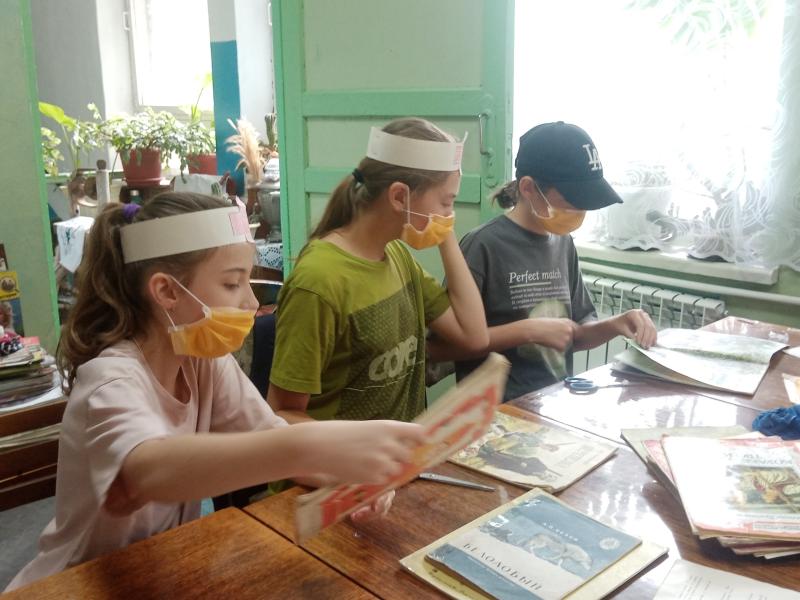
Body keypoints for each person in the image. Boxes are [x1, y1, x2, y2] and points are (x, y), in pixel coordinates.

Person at [6, 193, 423, 591]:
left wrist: (349, 478)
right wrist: (308, 447)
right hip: (74, 584)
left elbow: (268, 436)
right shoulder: (111, 380)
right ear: (167, 291)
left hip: (155, 570)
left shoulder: (203, 362)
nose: (251, 302)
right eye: (232, 284)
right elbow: (145, 472)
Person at [267, 117, 488, 424]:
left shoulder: (398, 256)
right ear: (399, 197)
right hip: (346, 456)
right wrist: (364, 447)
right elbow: (281, 414)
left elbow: (474, 337)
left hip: (401, 454)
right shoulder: (319, 282)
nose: (450, 215)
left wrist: (444, 233)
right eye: (446, 202)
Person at [429, 121, 657, 402]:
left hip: (552, 402)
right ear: (528, 188)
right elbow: (439, 350)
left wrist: (616, 324)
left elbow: (572, 335)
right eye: (573, 200)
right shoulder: (483, 246)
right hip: (497, 410)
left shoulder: (562, 242)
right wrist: (525, 332)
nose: (580, 211)